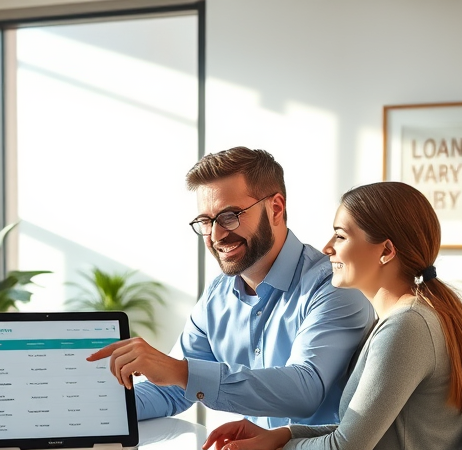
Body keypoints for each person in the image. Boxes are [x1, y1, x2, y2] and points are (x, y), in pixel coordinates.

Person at [202, 181, 462, 450]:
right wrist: (281, 435)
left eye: (340, 235)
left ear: (386, 250)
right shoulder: (403, 318)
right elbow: (354, 430)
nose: (327, 248)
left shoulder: (406, 327)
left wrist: (274, 449)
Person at [88, 147, 374, 427]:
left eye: (229, 216)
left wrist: (180, 371)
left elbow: (305, 391)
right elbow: (172, 387)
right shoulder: (217, 295)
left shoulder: (334, 285)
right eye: (205, 220)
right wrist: (94, 412)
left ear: (275, 208)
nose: (215, 235)